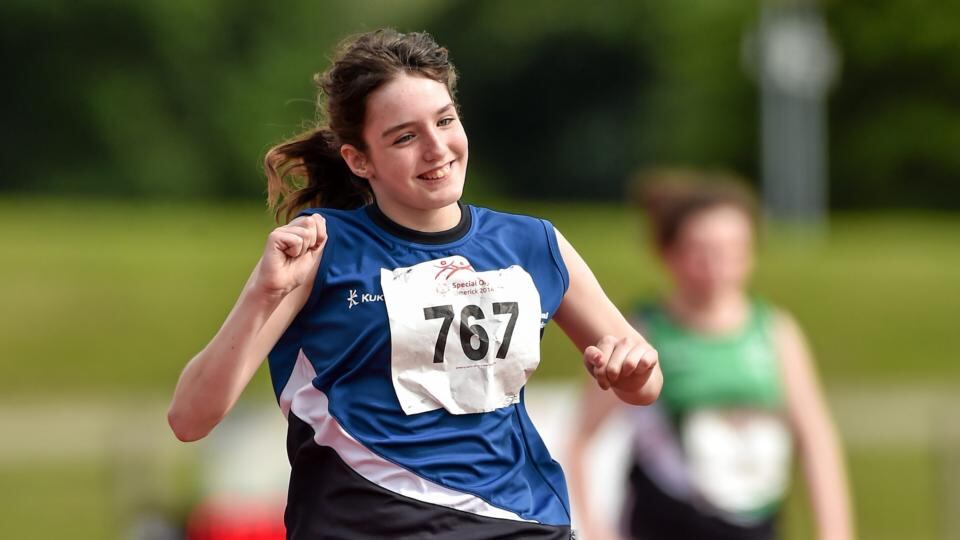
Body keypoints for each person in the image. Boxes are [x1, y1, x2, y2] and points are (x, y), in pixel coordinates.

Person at [166, 29, 662, 540]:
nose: (436, 149)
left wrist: (632, 370)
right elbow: (190, 419)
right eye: (404, 137)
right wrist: (262, 294)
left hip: (518, 523)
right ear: (359, 160)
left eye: (445, 121)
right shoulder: (317, 251)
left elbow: (644, 381)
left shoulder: (533, 244)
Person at [567, 170, 854, 540]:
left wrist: (835, 532)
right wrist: (595, 529)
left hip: (754, 524)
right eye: (702, 251)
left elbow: (816, 438)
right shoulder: (645, 331)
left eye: (733, 250)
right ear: (667, 253)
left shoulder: (775, 332)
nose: (718, 265)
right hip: (665, 521)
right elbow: (579, 437)